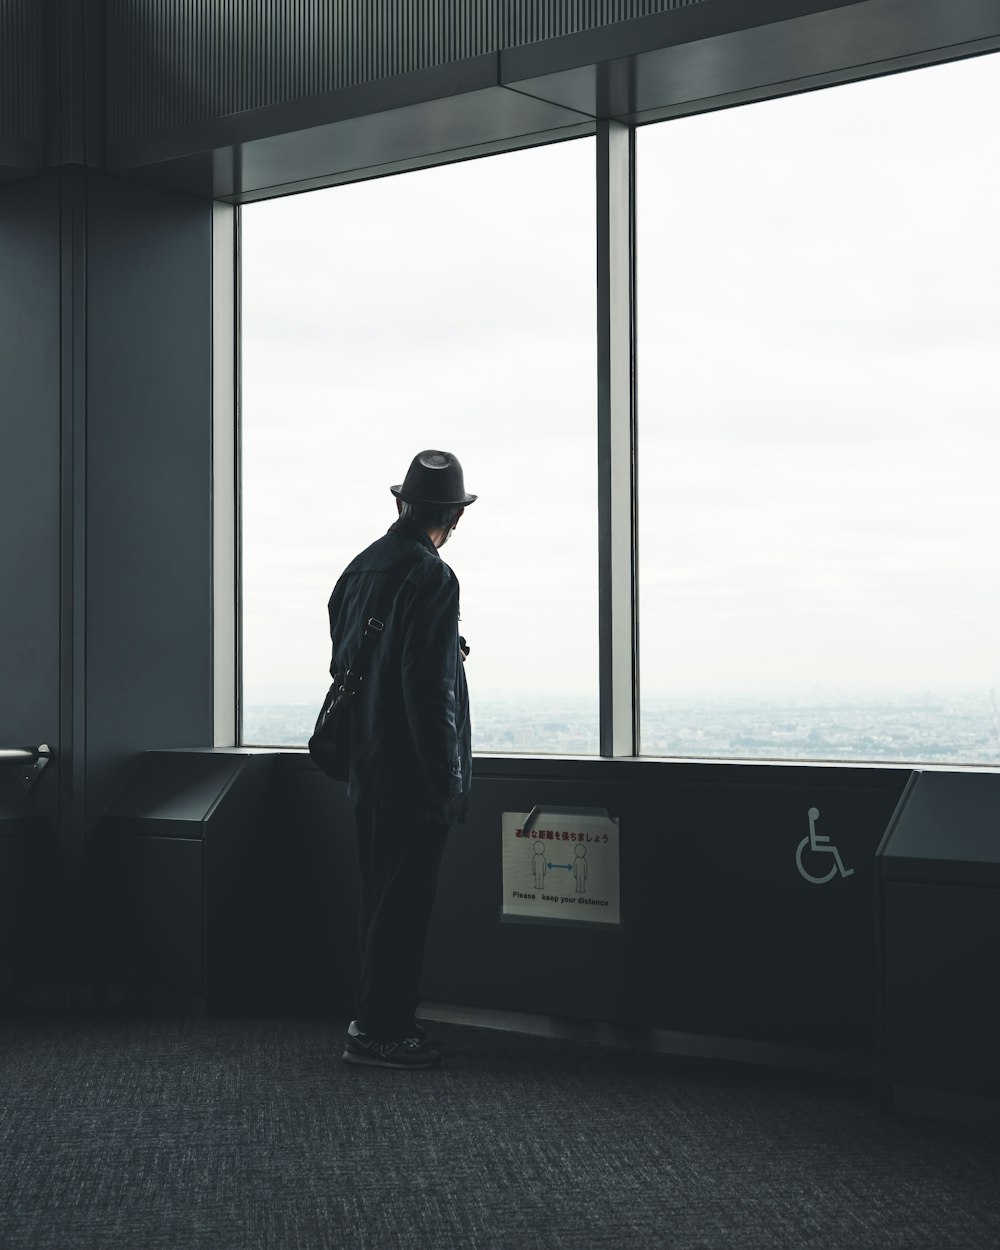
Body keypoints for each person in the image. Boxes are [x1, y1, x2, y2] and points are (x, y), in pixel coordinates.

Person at [326, 450, 476, 1069]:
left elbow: (349, 664)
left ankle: (372, 1019)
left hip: (368, 763)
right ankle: (383, 1030)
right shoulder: (433, 577)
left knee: (379, 898)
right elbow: (427, 687)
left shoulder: (359, 570)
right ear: (454, 517)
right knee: (405, 904)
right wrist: (445, 780)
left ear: (401, 504)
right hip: (413, 774)